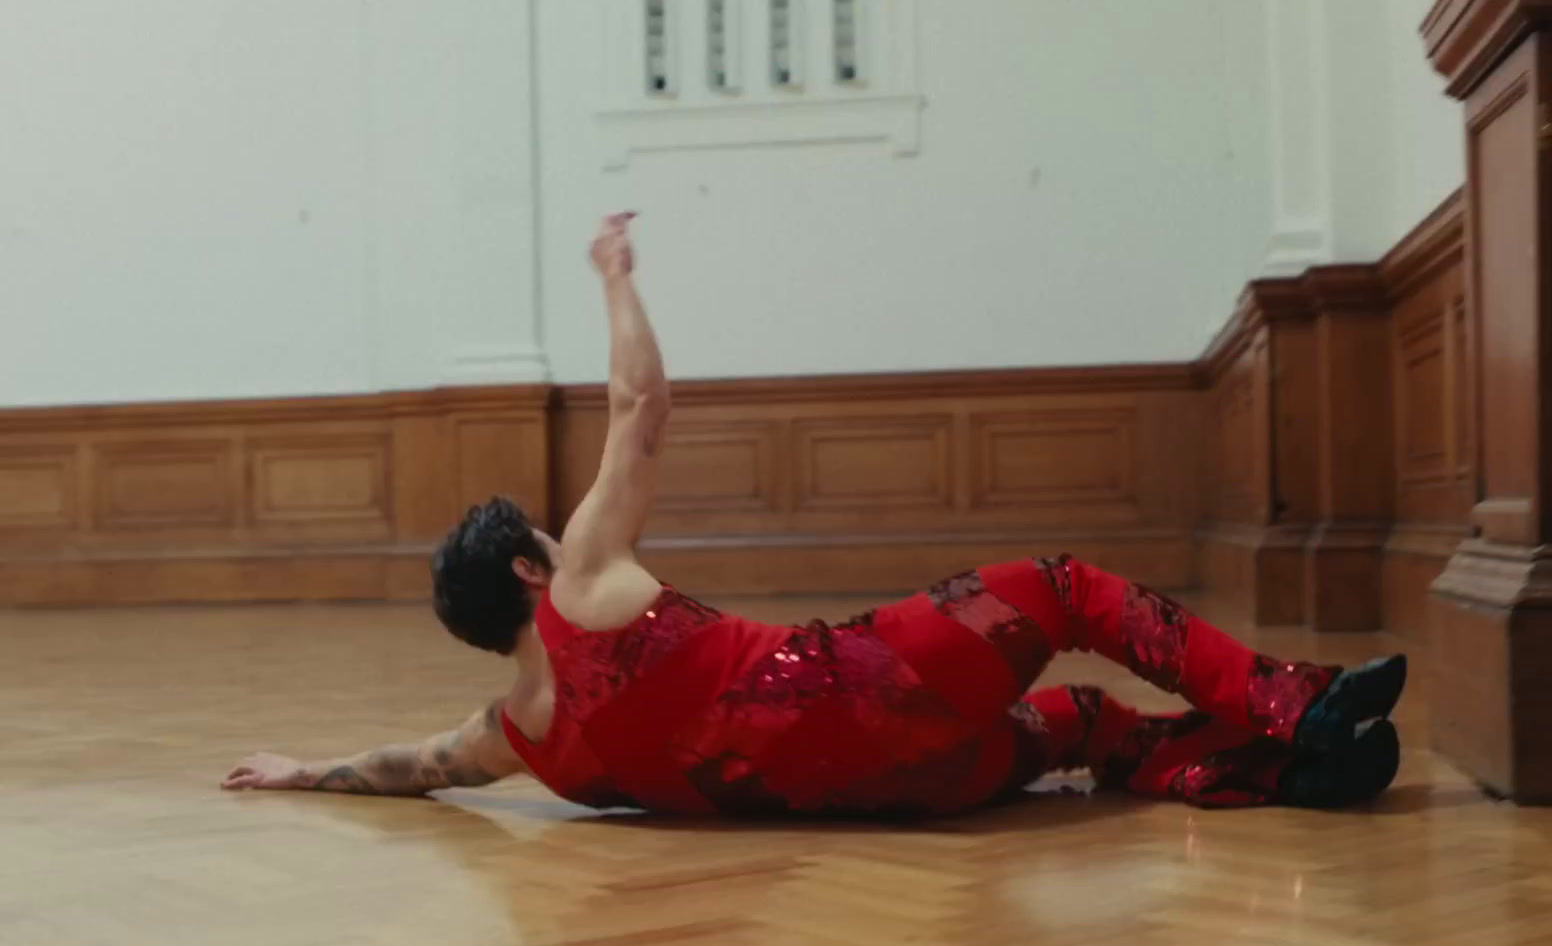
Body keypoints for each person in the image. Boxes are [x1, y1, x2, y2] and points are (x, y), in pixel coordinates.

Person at [223, 215, 1406, 815]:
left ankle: (1258, 776)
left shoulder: (513, 741)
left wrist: (299, 772)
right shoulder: (581, 577)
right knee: (1066, 589)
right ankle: (1287, 705)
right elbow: (640, 404)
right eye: (544, 529)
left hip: (907, 795)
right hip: (876, 686)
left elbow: (402, 767)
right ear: (533, 573)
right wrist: (614, 274)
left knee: (1083, 722)